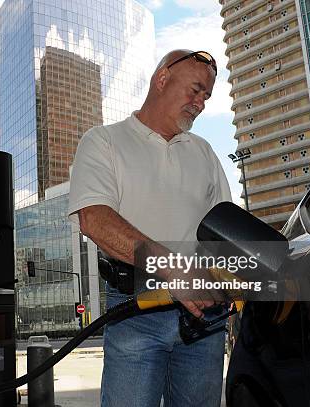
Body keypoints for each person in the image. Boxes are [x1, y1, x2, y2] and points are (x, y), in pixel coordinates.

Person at [67, 49, 232, 407]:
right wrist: (174, 269)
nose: (200, 102)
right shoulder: (104, 141)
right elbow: (93, 218)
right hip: (136, 309)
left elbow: (224, 233)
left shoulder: (204, 153)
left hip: (205, 317)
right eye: (195, 89)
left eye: (206, 96)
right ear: (162, 79)